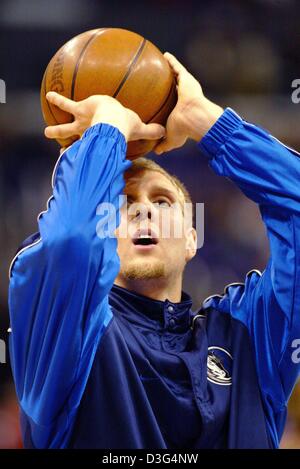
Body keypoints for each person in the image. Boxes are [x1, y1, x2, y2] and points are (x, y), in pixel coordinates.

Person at [8, 53, 300, 449]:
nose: (144, 208)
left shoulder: (246, 341)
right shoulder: (65, 330)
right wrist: (107, 128)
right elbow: (69, 243)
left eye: (162, 202)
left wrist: (207, 121)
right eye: (123, 202)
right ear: (102, 231)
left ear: (192, 238)